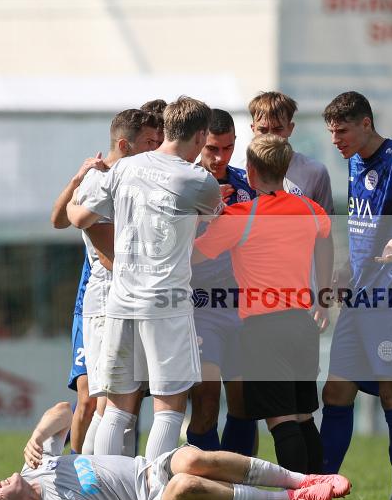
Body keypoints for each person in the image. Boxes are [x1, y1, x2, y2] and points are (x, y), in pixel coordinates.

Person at [67, 96, 222, 463]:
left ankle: (104, 494)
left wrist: (72, 197)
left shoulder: (124, 168)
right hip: (165, 303)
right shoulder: (199, 179)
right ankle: (155, 494)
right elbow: (211, 218)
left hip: (120, 301)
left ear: (166, 128)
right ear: (200, 136)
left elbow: (79, 218)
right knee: (169, 407)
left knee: (117, 408)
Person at [193, 133, 334, 500]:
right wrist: (323, 292)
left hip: (263, 327)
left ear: (250, 172)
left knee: (282, 420)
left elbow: (194, 256)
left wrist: (207, 216)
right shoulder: (309, 209)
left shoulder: (242, 216)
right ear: (286, 169)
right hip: (301, 323)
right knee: (304, 416)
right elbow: (326, 235)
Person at [319, 91, 392, 500]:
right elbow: (363, 229)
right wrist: (346, 271)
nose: (336, 140)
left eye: (343, 131)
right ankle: (321, 499)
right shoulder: (352, 163)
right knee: (335, 390)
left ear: (366, 123)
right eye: (332, 132)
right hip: (360, 295)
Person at [0, 402, 351, 500]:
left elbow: (64, 411)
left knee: (192, 456)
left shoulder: (36, 463)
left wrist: (35, 435)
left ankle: (306, 478)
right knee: (185, 485)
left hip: (147, 469)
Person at [49, 107, 163, 454]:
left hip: (123, 298)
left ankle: (105, 478)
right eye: (149, 143)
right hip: (106, 302)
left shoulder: (130, 180)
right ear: (126, 144)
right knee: (102, 402)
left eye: (159, 142)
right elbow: (106, 253)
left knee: (116, 401)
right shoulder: (103, 181)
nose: (156, 151)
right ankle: (87, 480)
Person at [188, 109, 258, 456]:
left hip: (243, 307)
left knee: (246, 404)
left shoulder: (246, 184)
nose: (220, 157)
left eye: (228, 148)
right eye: (213, 149)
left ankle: (239, 499)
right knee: (205, 401)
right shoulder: (182, 184)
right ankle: (204, 492)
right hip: (199, 308)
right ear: (199, 142)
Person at [247, 91, 334, 214]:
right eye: (263, 130)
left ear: (290, 128)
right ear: (253, 129)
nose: (270, 136)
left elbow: (325, 226)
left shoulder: (315, 172)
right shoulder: (239, 170)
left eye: (278, 129)